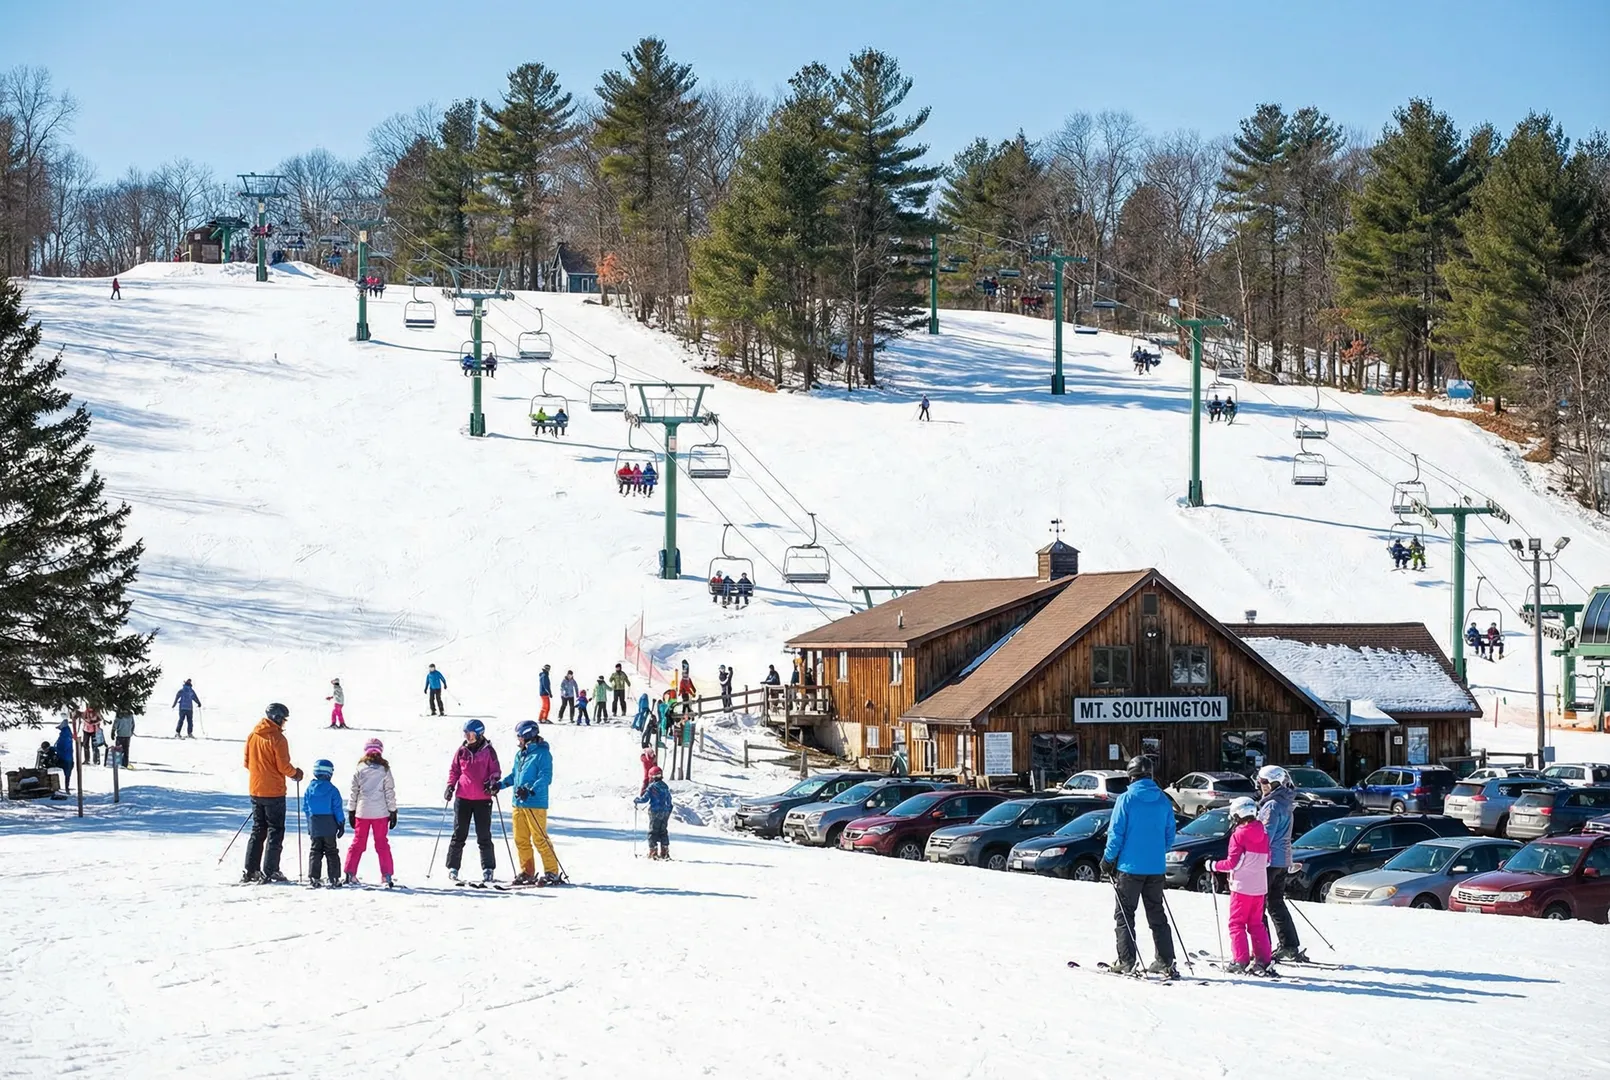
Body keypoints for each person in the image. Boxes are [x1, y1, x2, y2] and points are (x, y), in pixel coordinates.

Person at [1100, 755, 1178, 977]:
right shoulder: (1163, 799)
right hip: (1155, 868)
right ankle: (1165, 960)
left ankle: (1126, 960)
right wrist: (1156, 852)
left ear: (1131, 776)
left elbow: (1116, 834)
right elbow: (1170, 834)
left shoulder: (1126, 799)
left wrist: (1107, 860)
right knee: (1157, 914)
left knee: (1125, 914)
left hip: (1130, 867)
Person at [1212, 797, 1276, 975]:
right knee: (1256, 923)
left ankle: (1240, 960)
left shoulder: (1238, 835)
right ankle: (1264, 958)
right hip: (1259, 887)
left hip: (1241, 887)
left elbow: (1232, 863)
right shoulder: (1263, 833)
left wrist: (1214, 865)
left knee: (1236, 924)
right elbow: (1268, 860)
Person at [242, 703, 303, 884]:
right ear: (277, 717)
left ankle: (251, 870)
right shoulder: (277, 739)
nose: (284, 723)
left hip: (255, 789)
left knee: (258, 830)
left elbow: (247, 763)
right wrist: (296, 774)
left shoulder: (253, 735)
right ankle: (271, 870)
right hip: (274, 792)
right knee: (275, 830)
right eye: (284, 719)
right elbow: (283, 766)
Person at [500, 721, 562, 885]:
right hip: (518, 803)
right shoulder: (520, 754)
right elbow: (514, 776)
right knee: (521, 839)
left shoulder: (542, 754)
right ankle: (527, 872)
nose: (518, 739)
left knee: (539, 839)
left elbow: (545, 777)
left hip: (535, 803)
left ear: (527, 735)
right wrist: (499, 785)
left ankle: (551, 872)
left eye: (519, 735)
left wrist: (530, 790)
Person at [1255, 765, 1306, 963]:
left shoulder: (1272, 805)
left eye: (1265, 782)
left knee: (1259, 905)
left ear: (1275, 783)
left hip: (1269, 861)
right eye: (1260, 782)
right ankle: (1289, 945)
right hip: (1282, 860)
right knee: (1276, 903)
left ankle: (1262, 948)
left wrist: (1253, 856)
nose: (1262, 786)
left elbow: (1265, 835)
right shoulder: (1285, 802)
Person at [443, 719, 501, 884]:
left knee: (484, 835)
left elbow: (495, 771)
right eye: (465, 733)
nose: (467, 736)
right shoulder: (462, 751)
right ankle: (453, 868)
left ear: (479, 733)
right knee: (459, 833)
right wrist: (450, 786)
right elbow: (454, 770)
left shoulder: (488, 751)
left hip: (482, 799)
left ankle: (488, 868)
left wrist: (492, 783)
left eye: (470, 733)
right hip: (463, 798)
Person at [344, 738, 398, 887]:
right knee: (382, 844)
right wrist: (392, 811)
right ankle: (386, 875)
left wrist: (351, 810)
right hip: (380, 814)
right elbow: (389, 791)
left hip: (362, 812)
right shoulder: (384, 769)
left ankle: (350, 872)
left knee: (358, 843)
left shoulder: (360, 768)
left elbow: (354, 791)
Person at [303, 759, 346, 888]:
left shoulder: (309, 789)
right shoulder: (333, 790)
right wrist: (341, 822)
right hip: (329, 824)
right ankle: (334, 877)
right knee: (331, 851)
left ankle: (314, 877)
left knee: (315, 850)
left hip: (315, 823)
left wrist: (309, 824)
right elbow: (337, 807)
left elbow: (306, 808)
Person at [635, 766, 673, 859]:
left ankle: (653, 851)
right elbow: (669, 799)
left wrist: (637, 800)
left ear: (651, 776)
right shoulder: (665, 786)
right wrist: (668, 810)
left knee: (653, 831)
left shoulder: (652, 787)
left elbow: (645, 799)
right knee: (663, 831)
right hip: (665, 812)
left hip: (655, 811)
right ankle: (665, 851)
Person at [53, 720, 75, 793]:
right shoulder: (67, 734)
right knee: (68, 774)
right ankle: (67, 787)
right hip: (68, 758)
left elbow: (61, 747)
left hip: (64, 758)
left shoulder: (64, 736)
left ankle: (66, 787)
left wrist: (55, 749)